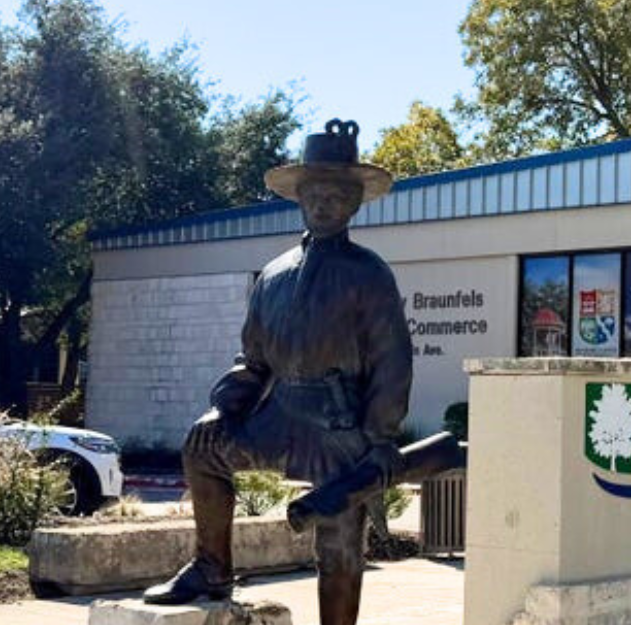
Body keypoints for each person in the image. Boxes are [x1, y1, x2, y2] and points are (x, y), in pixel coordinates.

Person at [143, 120, 463, 625]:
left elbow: (393, 361)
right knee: (201, 451)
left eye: (336, 195)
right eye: (314, 193)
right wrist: (221, 409)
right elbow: (253, 361)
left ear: (354, 204)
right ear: (300, 197)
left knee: (338, 541)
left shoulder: (369, 274)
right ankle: (211, 568)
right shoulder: (273, 275)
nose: (323, 203)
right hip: (279, 413)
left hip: (339, 425)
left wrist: (379, 437)